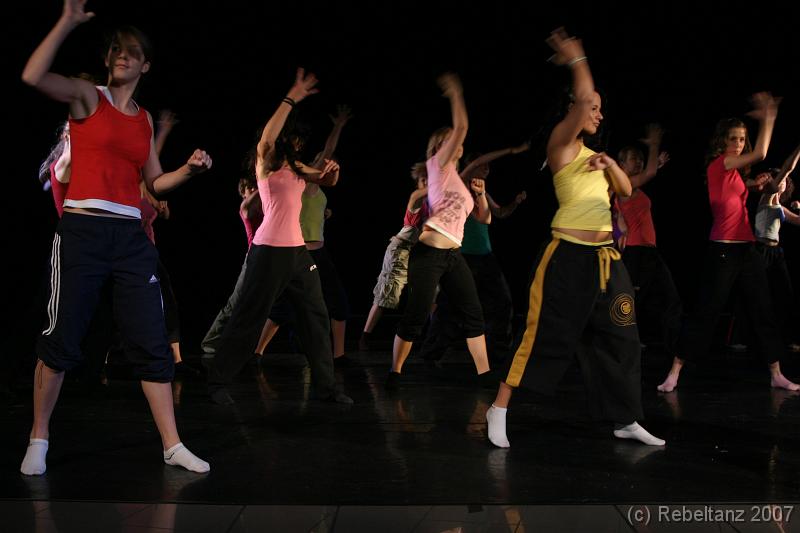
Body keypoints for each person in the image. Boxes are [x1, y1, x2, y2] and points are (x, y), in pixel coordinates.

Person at [20, 0, 212, 475]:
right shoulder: (90, 97)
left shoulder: (143, 120)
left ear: (146, 65)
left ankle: (172, 445)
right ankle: (39, 438)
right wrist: (66, 22)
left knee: (151, 339)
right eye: (116, 50)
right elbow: (33, 76)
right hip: (83, 232)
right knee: (62, 339)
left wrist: (188, 170)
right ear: (108, 60)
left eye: (132, 51)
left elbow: (154, 184)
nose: (122, 55)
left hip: (130, 237)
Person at [486, 28, 664, 448]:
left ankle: (625, 418)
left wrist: (609, 164)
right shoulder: (561, 146)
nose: (598, 115)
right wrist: (577, 57)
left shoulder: (595, 157)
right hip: (567, 256)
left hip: (607, 260)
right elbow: (583, 98)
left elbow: (626, 190)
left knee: (622, 337)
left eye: (600, 110)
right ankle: (499, 408)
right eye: (593, 108)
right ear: (573, 110)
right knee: (542, 334)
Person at [206, 68, 352, 406]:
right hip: (268, 251)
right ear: (287, 140)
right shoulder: (266, 166)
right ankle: (217, 381)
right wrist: (291, 98)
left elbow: (327, 180)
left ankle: (327, 387)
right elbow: (267, 140)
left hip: (298, 252)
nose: (299, 145)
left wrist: (333, 173)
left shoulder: (299, 169)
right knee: (249, 316)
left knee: (315, 316)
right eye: (295, 141)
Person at [657, 94, 799, 393]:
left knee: (763, 309)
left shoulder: (733, 172)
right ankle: (675, 370)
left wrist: (755, 184)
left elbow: (739, 189)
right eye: (733, 138)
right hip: (722, 249)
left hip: (746, 248)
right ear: (722, 141)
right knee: (706, 311)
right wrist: (769, 117)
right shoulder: (721, 163)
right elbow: (761, 153)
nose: (737, 144)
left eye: (741, 139)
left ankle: (776, 372)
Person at [386, 73, 492, 388]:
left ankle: (485, 374)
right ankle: (395, 372)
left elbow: (484, 219)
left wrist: (481, 194)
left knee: (473, 313)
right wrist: (456, 94)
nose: (456, 142)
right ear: (440, 147)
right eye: (449, 140)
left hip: (453, 256)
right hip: (429, 253)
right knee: (416, 317)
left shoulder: (459, 183)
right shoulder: (438, 166)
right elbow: (462, 128)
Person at [614, 125, 681, 357]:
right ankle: (618, 342)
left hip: (649, 252)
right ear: (621, 165)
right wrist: (653, 146)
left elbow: (649, 173)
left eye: (641, 159)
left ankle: (676, 350)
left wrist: (656, 163)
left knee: (669, 298)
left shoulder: (635, 187)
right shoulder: (622, 185)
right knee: (628, 300)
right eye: (634, 159)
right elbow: (648, 174)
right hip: (634, 252)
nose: (639, 162)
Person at [359, 163, 429, 351]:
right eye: (423, 180)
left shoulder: (437, 202)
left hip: (422, 251)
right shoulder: (416, 197)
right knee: (387, 294)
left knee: (430, 293)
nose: (427, 183)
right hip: (401, 251)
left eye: (430, 179)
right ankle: (365, 336)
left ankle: (429, 338)